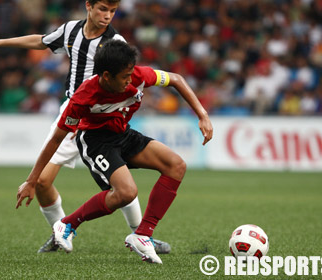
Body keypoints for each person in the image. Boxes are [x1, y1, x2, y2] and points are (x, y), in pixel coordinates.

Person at [0, 0, 171, 254]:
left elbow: (129, 78)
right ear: (89, 6)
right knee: (41, 182)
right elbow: (41, 41)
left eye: (112, 11)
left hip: (101, 119)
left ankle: (140, 235)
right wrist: (0, 43)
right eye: (102, 9)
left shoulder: (115, 42)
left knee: (118, 187)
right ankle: (60, 234)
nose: (107, 16)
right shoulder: (70, 30)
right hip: (72, 113)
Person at [16, 39, 213, 263]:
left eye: (131, 74)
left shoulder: (138, 75)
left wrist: (202, 115)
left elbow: (176, 79)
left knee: (176, 165)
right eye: (124, 77)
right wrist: (32, 180)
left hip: (123, 134)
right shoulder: (83, 97)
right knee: (126, 193)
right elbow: (56, 140)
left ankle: (142, 234)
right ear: (107, 76)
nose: (131, 80)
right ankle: (68, 224)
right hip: (95, 141)